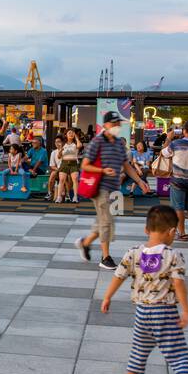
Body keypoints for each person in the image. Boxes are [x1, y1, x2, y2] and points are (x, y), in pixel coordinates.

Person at [100, 205, 188, 374]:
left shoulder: (133, 253)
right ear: (171, 232)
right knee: (178, 354)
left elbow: (119, 276)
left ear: (146, 229)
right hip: (165, 313)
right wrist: (185, 310)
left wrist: (107, 297)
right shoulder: (173, 255)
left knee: (139, 349)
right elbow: (178, 284)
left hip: (142, 313)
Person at [75, 111, 150, 270]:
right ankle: (106, 257)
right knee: (107, 221)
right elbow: (85, 165)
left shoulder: (118, 143)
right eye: (114, 123)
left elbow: (126, 165)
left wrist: (139, 181)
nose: (117, 126)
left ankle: (85, 243)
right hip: (99, 186)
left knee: (104, 220)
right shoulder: (97, 142)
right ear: (106, 125)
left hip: (114, 188)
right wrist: (102, 170)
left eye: (119, 124)